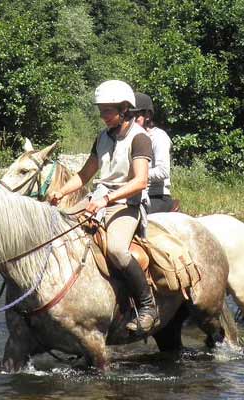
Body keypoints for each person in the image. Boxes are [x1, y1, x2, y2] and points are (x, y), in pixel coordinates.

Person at [49, 80, 157, 334]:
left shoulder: (140, 138)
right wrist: (61, 191)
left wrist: (106, 200)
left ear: (124, 109)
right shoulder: (102, 138)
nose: (103, 116)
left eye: (107, 111)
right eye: (102, 110)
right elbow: (85, 174)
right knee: (58, 233)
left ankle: (147, 306)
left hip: (125, 202)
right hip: (98, 198)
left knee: (118, 251)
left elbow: (140, 181)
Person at [132, 92, 174, 214]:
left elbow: (163, 171)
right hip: (133, 194)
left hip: (156, 196)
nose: (131, 122)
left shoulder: (159, 137)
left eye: (136, 117)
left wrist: (137, 174)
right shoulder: (128, 138)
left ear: (148, 115)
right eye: (128, 116)